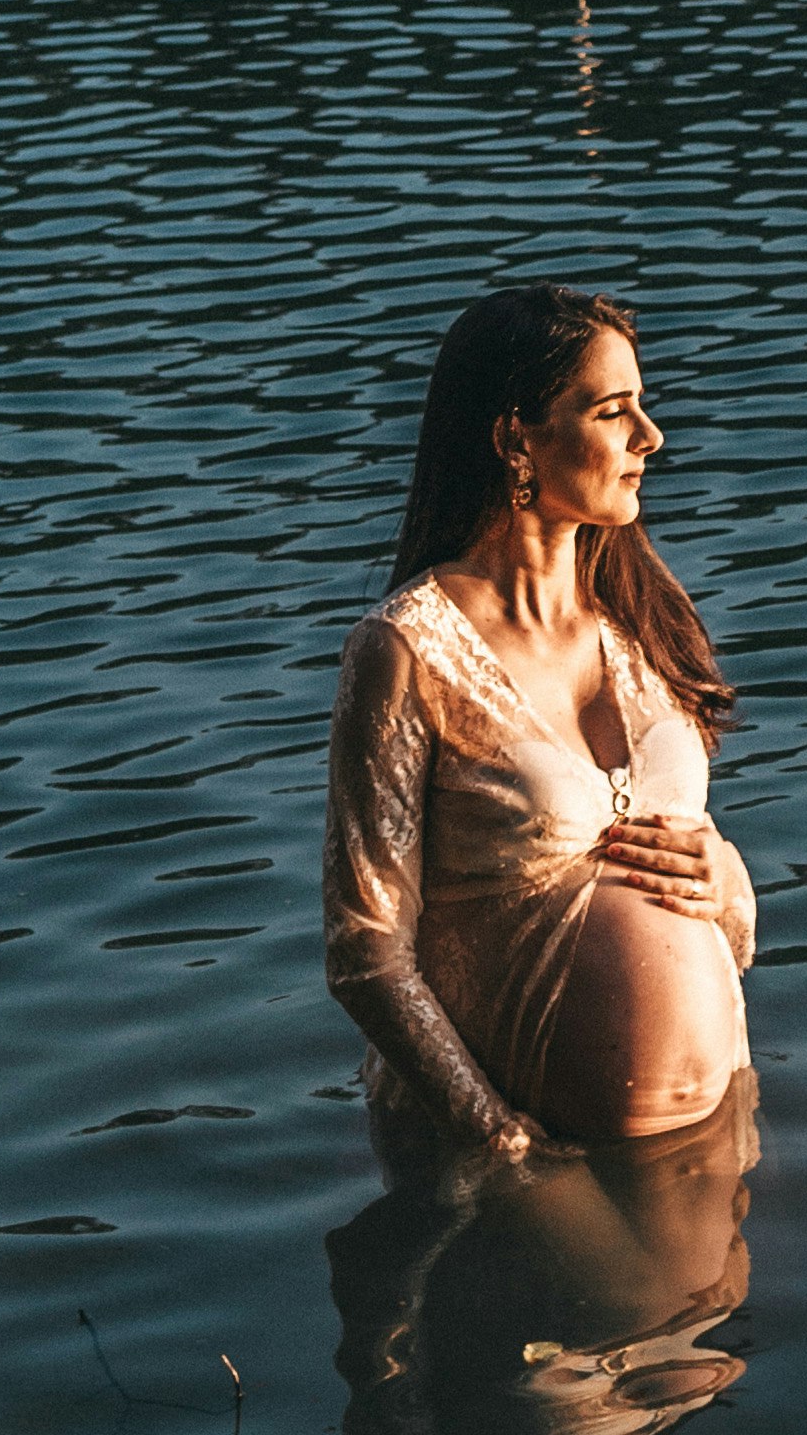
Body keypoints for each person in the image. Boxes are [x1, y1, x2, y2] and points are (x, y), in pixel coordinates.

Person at [322, 282, 756, 1164]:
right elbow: (364, 951)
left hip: (723, 1117)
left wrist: (732, 882)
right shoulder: (408, 650)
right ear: (516, 436)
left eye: (645, 406)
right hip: (530, 1151)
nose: (651, 437)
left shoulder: (640, 623)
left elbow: (715, 902)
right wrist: (496, 1140)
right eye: (612, 411)